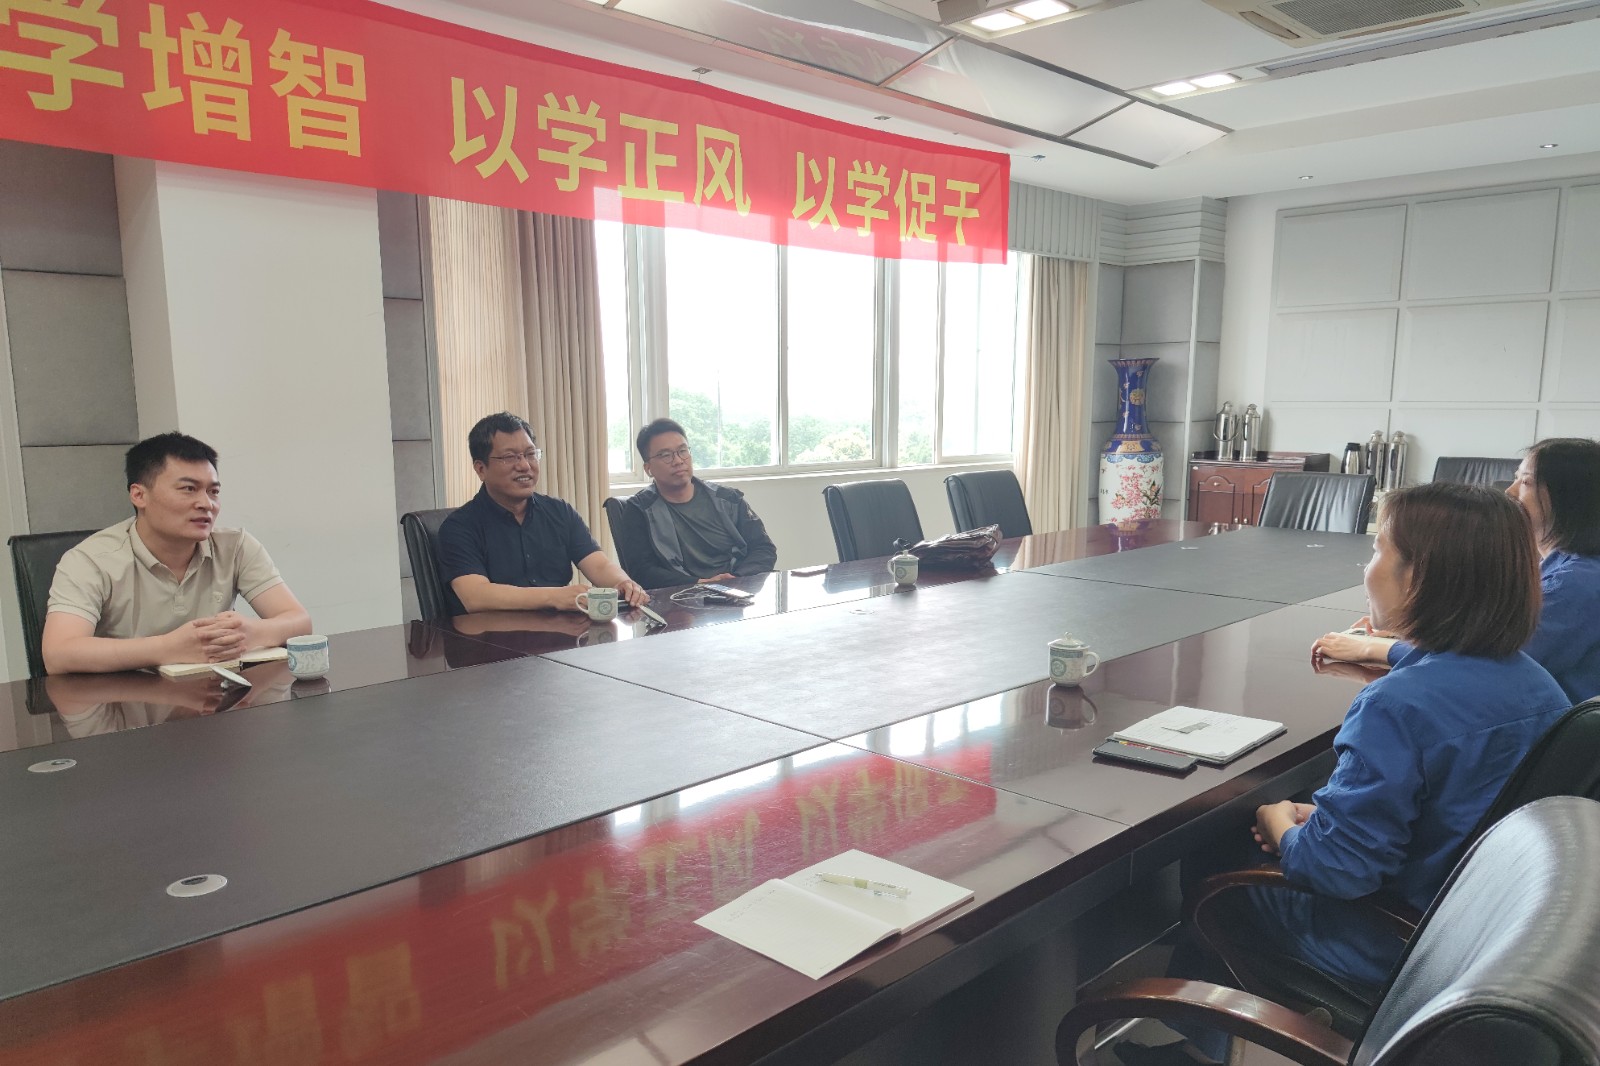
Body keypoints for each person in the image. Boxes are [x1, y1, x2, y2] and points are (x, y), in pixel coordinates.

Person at [1119, 483, 1570, 1066]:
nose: (1368, 566)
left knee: (1217, 850)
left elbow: (1338, 871)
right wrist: (1330, 812)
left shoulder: (1397, 706)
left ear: (1419, 577)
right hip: (1482, 932)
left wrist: (1280, 823)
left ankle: (1212, 1042)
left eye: (1379, 550)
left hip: (1392, 944)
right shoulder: (1538, 684)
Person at [1313, 437, 1600, 704]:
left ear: (1571, 497)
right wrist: (1412, 630)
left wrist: (1373, 649)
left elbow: (1489, 664)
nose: (1510, 492)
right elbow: (1485, 639)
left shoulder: (1575, 584)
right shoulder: (1567, 568)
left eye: (1525, 481)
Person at [41, 432, 312, 675]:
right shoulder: (90, 560)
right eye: (188, 489)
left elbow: (300, 622)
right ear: (139, 495)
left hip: (216, 699)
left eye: (213, 491)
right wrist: (168, 648)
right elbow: (58, 654)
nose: (206, 504)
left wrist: (252, 633)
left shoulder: (235, 545)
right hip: (123, 704)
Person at [437, 412, 648, 616]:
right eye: (509, 457)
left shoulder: (559, 512)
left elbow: (599, 565)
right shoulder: (459, 527)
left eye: (530, 454)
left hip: (562, 634)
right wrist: (554, 597)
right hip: (494, 637)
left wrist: (622, 583)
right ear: (481, 469)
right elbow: (475, 596)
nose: (524, 465)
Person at [610, 418, 778, 590]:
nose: (678, 461)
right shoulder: (639, 510)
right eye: (666, 455)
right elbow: (641, 572)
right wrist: (700, 584)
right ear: (648, 468)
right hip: (680, 597)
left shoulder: (728, 499)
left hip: (737, 589)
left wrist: (735, 579)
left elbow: (764, 548)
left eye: (682, 451)